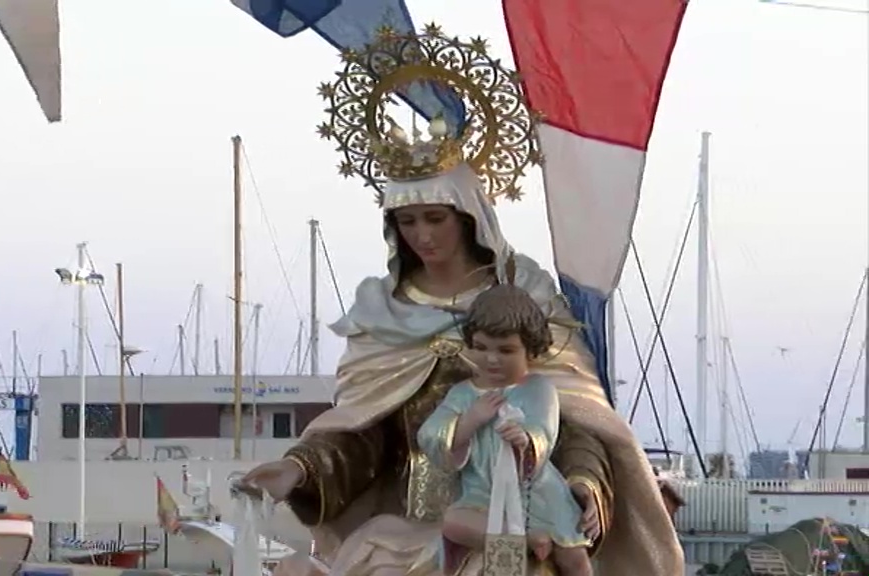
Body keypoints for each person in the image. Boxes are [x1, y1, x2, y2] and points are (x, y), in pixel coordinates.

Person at [241, 25, 684, 576]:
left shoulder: (524, 296)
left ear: (468, 215)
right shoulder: (383, 312)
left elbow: (576, 417)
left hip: (520, 518)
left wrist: (584, 485)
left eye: (435, 218)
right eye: (407, 222)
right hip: (417, 522)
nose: (422, 236)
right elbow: (364, 437)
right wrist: (301, 470)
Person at [418, 284, 592, 576]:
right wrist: (470, 420)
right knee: (453, 522)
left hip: (537, 495)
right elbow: (430, 434)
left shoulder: (538, 389)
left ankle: (539, 535)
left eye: (506, 350)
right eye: (481, 348)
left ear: (530, 349)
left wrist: (526, 439)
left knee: (574, 556)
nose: (492, 359)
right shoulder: (462, 394)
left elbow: (544, 432)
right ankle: (527, 539)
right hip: (480, 495)